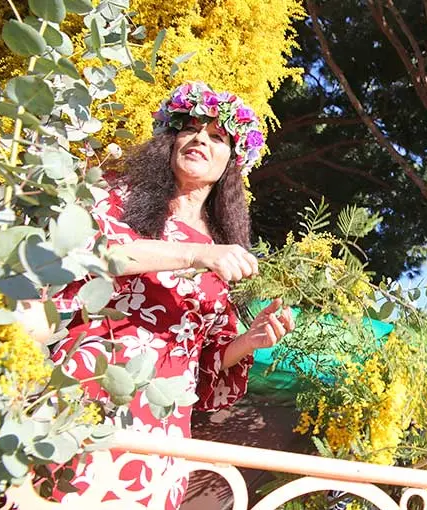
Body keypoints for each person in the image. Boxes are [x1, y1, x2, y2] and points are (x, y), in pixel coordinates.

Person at [45, 82, 295, 509]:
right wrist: (196, 254)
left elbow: (205, 363)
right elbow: (95, 254)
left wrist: (248, 342)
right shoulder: (119, 196)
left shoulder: (220, 248)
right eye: (191, 129)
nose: (200, 139)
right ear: (170, 140)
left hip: (162, 427)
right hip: (87, 392)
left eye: (218, 136)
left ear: (231, 164)